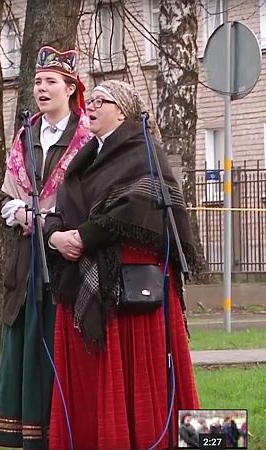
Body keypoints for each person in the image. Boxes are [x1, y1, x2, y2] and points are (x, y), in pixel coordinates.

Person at [43, 80, 201, 448]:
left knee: (139, 377)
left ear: (124, 112)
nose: (92, 106)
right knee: (92, 379)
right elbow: (59, 209)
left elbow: (136, 207)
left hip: (129, 290)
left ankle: (164, 439)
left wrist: (83, 236)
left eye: (103, 100)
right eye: (91, 100)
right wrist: (55, 237)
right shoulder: (84, 159)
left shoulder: (143, 152)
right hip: (84, 280)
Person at [0, 45, 92, 449]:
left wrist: (50, 219)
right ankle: (27, 435)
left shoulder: (85, 137)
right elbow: (5, 200)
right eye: (37, 82)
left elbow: (87, 198)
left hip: (67, 259)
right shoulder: (25, 136)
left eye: (51, 81)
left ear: (70, 88)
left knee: (59, 340)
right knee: (27, 343)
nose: (41, 89)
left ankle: (62, 433)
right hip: (26, 259)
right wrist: (24, 214)